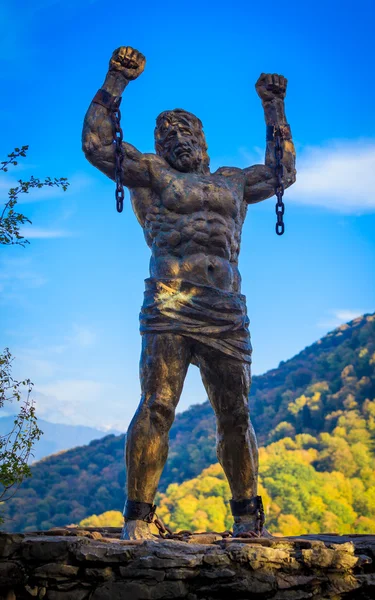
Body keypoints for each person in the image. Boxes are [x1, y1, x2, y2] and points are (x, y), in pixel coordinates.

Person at [82, 46, 296, 539]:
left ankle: (247, 516)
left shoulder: (233, 182)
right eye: (166, 134)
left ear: (202, 139)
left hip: (225, 308)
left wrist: (273, 106)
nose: (176, 139)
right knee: (157, 403)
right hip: (170, 301)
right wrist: (116, 81)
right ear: (158, 143)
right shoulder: (153, 174)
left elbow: (283, 173)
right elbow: (96, 146)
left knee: (235, 413)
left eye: (185, 132)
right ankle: (138, 517)